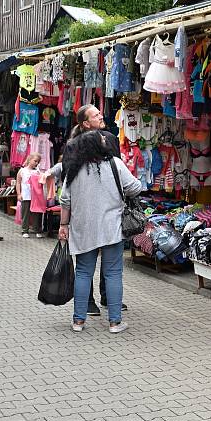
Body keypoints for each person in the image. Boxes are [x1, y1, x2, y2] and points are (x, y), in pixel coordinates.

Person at [59, 130, 143, 334]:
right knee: (113, 273)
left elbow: (65, 200)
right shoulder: (115, 163)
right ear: (97, 145)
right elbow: (135, 187)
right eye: (103, 139)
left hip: (83, 228)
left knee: (83, 272)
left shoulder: (73, 169)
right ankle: (115, 322)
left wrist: (63, 225)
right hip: (111, 227)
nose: (106, 140)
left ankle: (78, 321)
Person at [68, 104, 126, 316]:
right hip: (87, 212)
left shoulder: (110, 138)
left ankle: (106, 298)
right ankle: (90, 303)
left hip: (107, 208)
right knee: (89, 266)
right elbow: (68, 178)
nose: (101, 115)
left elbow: (117, 168)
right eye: (95, 114)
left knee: (101, 266)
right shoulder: (74, 145)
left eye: (100, 112)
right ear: (85, 123)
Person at [17, 153, 43, 238]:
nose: (36, 163)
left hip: (36, 196)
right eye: (35, 161)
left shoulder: (38, 171)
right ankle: (25, 230)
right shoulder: (22, 170)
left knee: (36, 213)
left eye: (38, 162)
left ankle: (37, 230)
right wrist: (19, 194)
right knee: (25, 213)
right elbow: (18, 182)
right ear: (29, 159)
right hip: (26, 195)